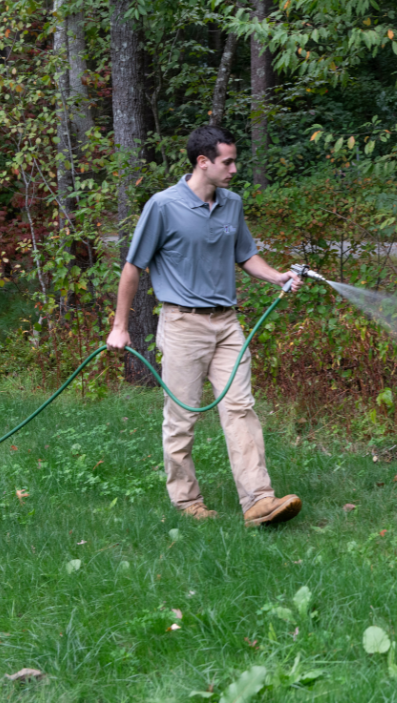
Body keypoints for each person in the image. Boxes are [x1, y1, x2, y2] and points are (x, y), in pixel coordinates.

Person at [106, 125, 303, 527]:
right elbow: (132, 267)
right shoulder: (163, 206)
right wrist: (120, 326)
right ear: (203, 162)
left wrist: (277, 276)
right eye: (227, 162)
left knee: (240, 408)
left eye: (234, 161)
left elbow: (245, 255)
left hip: (227, 324)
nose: (234, 169)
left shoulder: (232, 204)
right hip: (183, 324)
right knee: (182, 416)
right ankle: (187, 501)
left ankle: (259, 500)